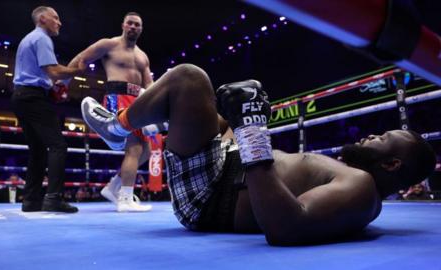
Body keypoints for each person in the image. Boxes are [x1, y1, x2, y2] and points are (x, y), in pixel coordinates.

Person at [81, 64, 436, 246]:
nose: (371, 135)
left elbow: (286, 227)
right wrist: (243, 126)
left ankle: (119, 128)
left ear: (392, 164)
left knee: (188, 79)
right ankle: (158, 120)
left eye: (383, 138)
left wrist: (252, 130)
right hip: (226, 170)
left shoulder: (361, 189)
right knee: (210, 99)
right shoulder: (354, 182)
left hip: (212, 196)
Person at [66, 12, 153, 212]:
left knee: (146, 151)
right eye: (130, 23)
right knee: (134, 148)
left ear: (141, 29)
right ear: (123, 25)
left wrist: (160, 102)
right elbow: (82, 58)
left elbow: (148, 84)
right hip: (117, 96)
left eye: (137, 25)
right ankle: (125, 199)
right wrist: (63, 83)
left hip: (138, 99)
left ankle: (113, 187)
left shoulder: (142, 56)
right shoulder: (109, 44)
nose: (133, 27)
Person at [11, 6, 85, 213]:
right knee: (58, 146)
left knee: (37, 150)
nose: (59, 22)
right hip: (33, 97)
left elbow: (42, 74)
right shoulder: (42, 38)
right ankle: (53, 198)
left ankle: (31, 200)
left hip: (21, 96)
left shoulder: (28, 39)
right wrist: (76, 71)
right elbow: (53, 70)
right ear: (43, 19)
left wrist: (51, 88)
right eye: (56, 18)